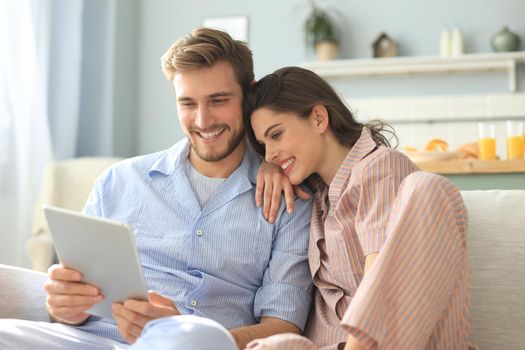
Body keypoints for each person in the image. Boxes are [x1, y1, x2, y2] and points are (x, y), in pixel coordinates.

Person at [0, 29, 313, 350]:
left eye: (218, 100)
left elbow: (283, 325)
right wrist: (65, 307)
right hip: (85, 340)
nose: (203, 120)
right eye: (187, 103)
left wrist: (189, 335)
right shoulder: (118, 181)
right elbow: (73, 306)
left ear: (248, 96)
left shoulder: (289, 199)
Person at [243, 67, 474, 350]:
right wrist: (267, 165)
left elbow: (385, 275)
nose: (270, 154)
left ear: (318, 118)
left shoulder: (381, 168)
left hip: (379, 343)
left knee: (427, 187)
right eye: (263, 145)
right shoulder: (314, 195)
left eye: (276, 135)